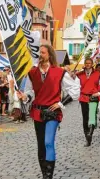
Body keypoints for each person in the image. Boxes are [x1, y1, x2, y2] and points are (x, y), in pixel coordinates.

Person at [21, 44, 80, 179]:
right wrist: (26, 97)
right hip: (37, 112)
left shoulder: (59, 72)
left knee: (48, 142)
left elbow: (75, 89)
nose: (40, 55)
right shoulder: (32, 72)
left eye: (43, 52)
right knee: (41, 145)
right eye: (39, 53)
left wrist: (60, 103)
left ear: (49, 55)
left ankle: (49, 176)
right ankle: (44, 174)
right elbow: (30, 92)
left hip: (52, 113)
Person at [77, 58, 100, 147]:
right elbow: (74, 85)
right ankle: (87, 137)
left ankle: (90, 133)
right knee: (85, 118)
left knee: (92, 115)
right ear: (84, 64)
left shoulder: (98, 74)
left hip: (93, 98)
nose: (88, 64)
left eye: (89, 63)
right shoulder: (79, 75)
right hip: (83, 98)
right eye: (86, 63)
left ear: (92, 64)